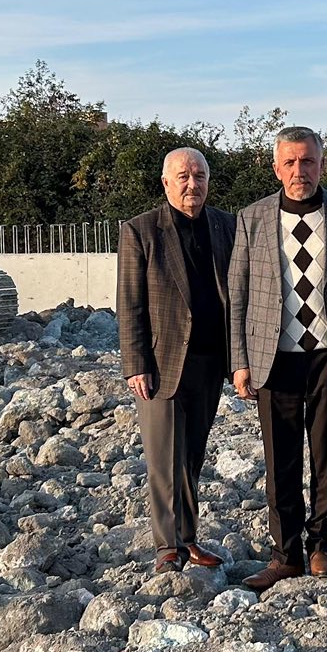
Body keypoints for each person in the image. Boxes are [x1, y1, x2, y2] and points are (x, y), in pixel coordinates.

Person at [230, 127, 327, 591]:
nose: (299, 170)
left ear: (321, 165)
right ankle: (285, 554)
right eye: (289, 162)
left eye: (307, 161)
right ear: (276, 168)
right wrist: (240, 360)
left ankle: (322, 545)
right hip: (274, 357)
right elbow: (238, 292)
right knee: (281, 461)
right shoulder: (252, 217)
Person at [117, 148, 235, 573]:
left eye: (199, 176)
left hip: (210, 360)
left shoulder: (226, 226)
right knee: (165, 459)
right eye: (183, 176)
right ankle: (167, 547)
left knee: (192, 457)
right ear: (166, 182)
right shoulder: (141, 230)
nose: (192, 184)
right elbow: (129, 302)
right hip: (161, 363)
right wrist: (136, 363)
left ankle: (188, 538)